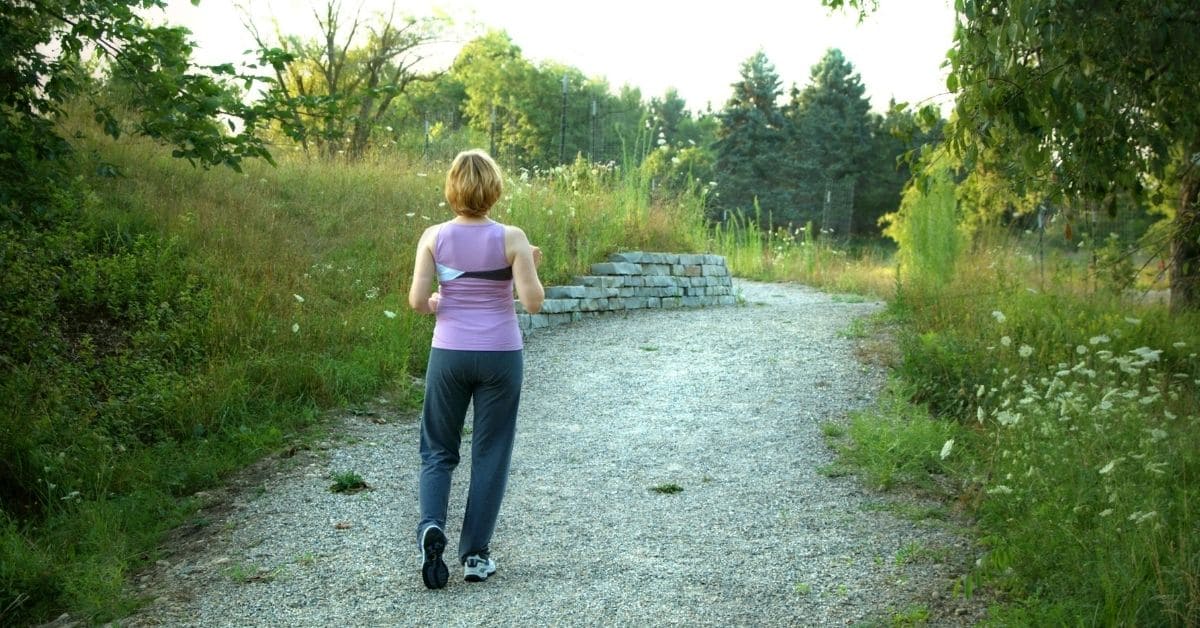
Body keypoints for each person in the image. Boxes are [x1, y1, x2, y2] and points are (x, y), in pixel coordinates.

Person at [407, 149, 544, 589]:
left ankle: (431, 527)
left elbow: (417, 302)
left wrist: (439, 302)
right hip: (501, 354)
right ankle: (475, 556)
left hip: (449, 353)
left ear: (452, 189)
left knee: (438, 450)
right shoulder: (512, 237)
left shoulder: (434, 236)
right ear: (495, 189)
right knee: (491, 453)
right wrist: (530, 265)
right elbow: (533, 301)